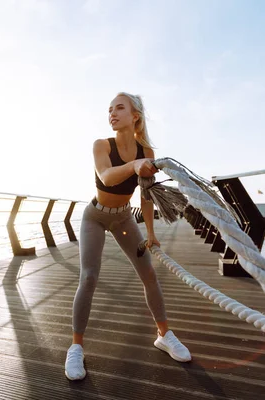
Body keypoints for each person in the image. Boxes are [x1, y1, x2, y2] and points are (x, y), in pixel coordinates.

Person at [65, 92, 191, 381]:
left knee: (149, 274)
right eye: (110, 109)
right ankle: (76, 347)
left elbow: (146, 197)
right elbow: (107, 176)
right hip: (95, 217)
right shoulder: (101, 145)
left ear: (135, 115)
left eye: (119, 108)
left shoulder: (146, 152)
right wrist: (134, 166)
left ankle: (164, 335)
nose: (112, 113)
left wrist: (150, 232)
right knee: (89, 277)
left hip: (124, 218)